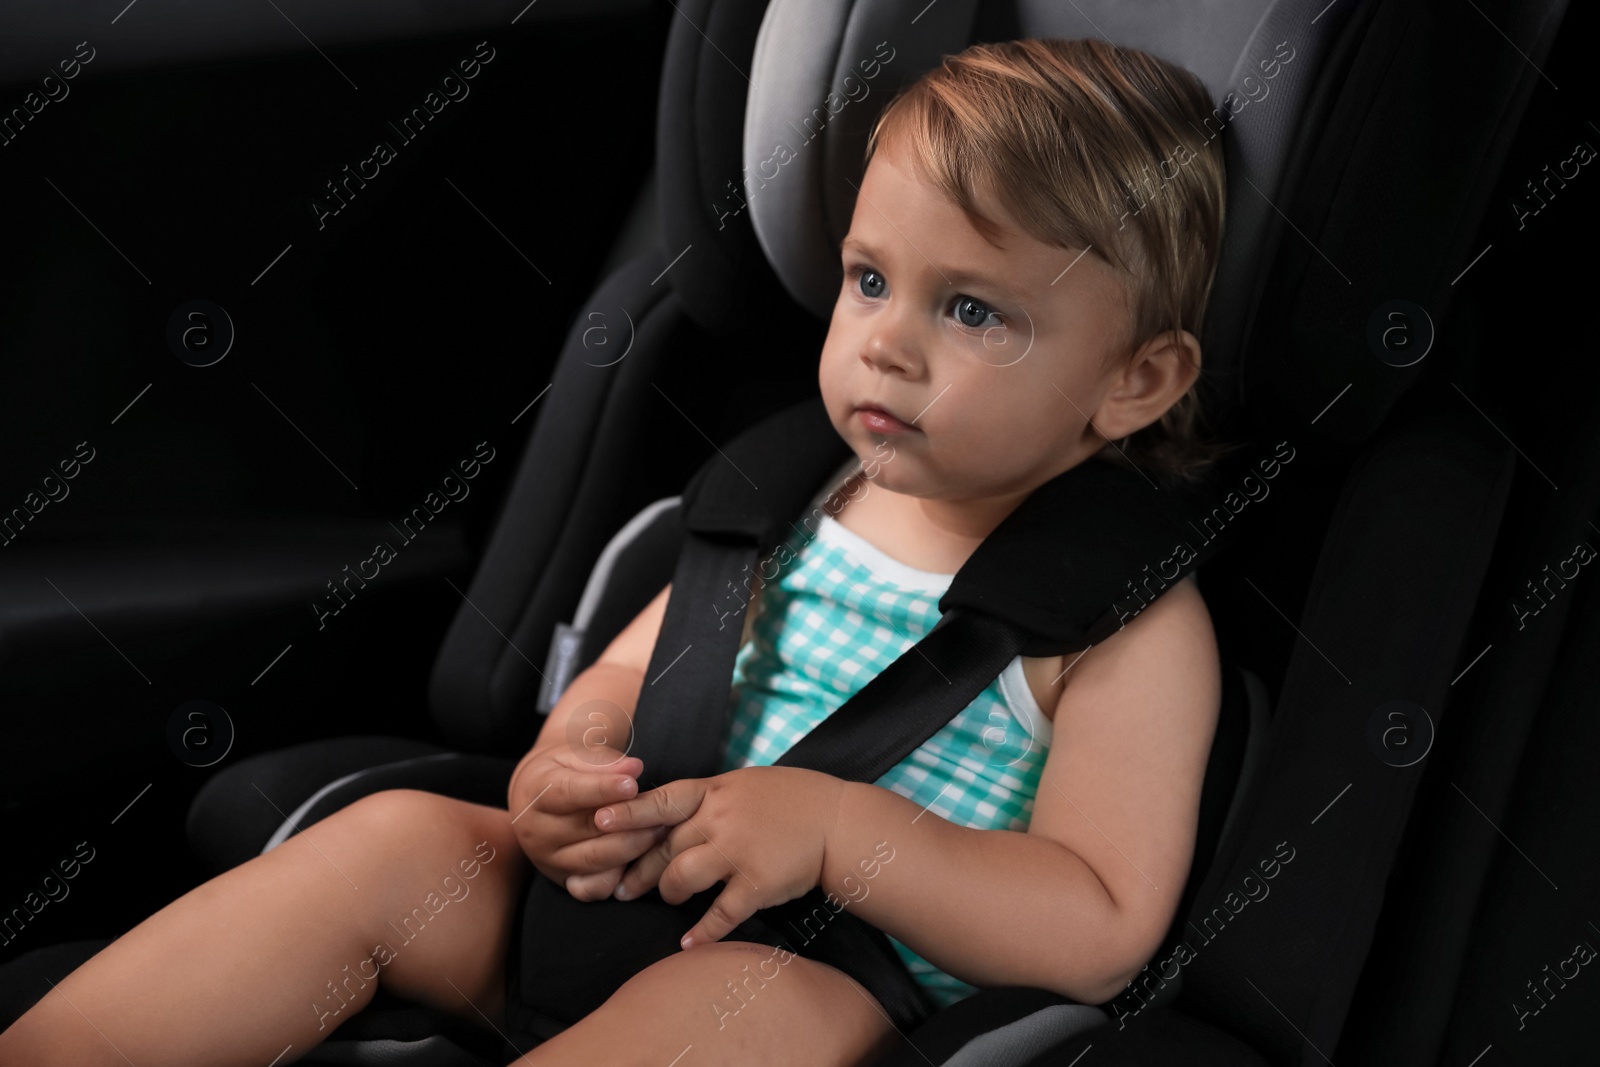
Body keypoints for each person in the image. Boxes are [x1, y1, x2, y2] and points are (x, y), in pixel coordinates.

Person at [0, 36, 1230, 1066]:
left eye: (971, 310)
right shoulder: (788, 494)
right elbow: (625, 682)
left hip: (834, 986)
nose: (886, 345)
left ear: (1135, 380)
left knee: (729, 1013)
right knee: (396, 844)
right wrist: (568, 763)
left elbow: (1097, 920)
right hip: (614, 896)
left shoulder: (1121, 621)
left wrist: (839, 836)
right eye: (869, 279)